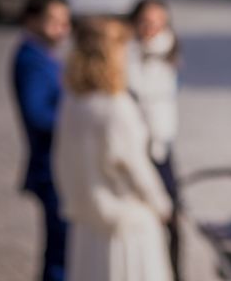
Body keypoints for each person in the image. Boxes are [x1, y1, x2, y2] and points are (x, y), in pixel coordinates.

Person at [54, 17, 173, 281]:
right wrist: (162, 204)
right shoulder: (117, 107)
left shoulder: (73, 102)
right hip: (126, 227)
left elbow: (61, 161)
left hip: (88, 224)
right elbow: (136, 167)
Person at [12, 0, 71, 281]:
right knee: (60, 253)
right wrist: (78, 121)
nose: (62, 28)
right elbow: (38, 115)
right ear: (32, 20)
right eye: (54, 21)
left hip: (55, 167)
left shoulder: (44, 54)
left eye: (65, 21)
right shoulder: (30, 60)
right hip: (51, 168)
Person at [127, 0, 182, 280]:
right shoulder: (125, 55)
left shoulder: (167, 50)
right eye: (146, 23)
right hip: (131, 147)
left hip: (161, 143)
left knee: (172, 216)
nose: (152, 29)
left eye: (158, 24)